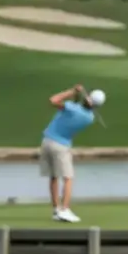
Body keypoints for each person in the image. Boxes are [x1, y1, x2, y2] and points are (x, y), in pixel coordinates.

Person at [40, 84, 106, 222]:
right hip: (61, 146)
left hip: (47, 142)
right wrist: (78, 96)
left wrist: (72, 91)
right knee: (67, 177)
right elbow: (75, 108)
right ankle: (64, 210)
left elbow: (53, 100)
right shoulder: (89, 117)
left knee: (56, 177)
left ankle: (59, 210)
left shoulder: (73, 109)